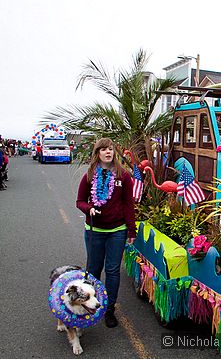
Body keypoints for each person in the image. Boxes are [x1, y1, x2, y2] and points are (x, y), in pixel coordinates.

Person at [76, 138, 136, 328]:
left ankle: (109, 309)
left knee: (112, 270)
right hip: (94, 230)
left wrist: (131, 230)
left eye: (110, 149)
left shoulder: (123, 176)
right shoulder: (89, 175)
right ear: (97, 153)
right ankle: (88, 306)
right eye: (103, 149)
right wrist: (89, 209)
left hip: (117, 230)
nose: (108, 152)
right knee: (93, 270)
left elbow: (128, 205)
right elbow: (80, 201)